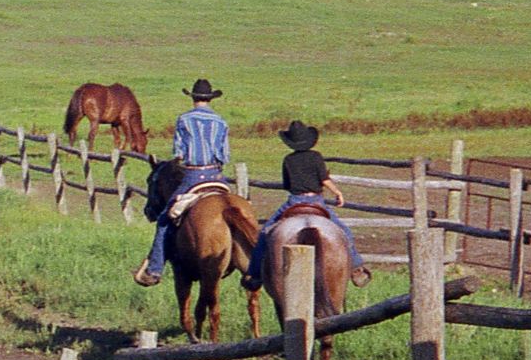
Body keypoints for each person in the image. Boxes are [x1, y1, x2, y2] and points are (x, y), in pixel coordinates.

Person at [244, 120, 370, 290]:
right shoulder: (316, 157)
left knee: (265, 233)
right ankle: (356, 268)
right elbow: (324, 179)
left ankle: (254, 274)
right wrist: (337, 192)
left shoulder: (288, 159)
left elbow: (287, 185)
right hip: (316, 201)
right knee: (344, 231)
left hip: (295, 201)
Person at [135, 78, 230, 287]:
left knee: (164, 220)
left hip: (193, 176)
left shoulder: (184, 120)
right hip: (217, 176)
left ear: (194, 98)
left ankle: (154, 269)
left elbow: (178, 153)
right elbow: (225, 155)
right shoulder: (221, 122)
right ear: (210, 99)